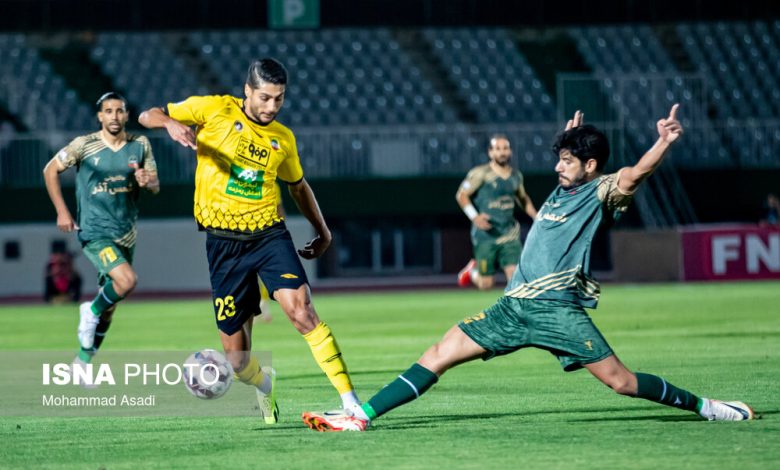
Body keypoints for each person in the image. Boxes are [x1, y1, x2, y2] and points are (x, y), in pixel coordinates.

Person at [301, 105, 755, 432]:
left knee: (622, 382)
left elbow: (635, 174)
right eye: (560, 158)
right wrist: (568, 137)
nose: (558, 166)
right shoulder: (562, 188)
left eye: (567, 161)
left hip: (558, 312)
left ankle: (707, 407)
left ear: (591, 166)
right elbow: (569, 159)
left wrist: (663, 141)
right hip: (513, 307)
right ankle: (361, 418)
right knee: (439, 352)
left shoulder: (601, 191)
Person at [138, 58, 360, 424]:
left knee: (302, 310)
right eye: (265, 98)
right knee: (238, 362)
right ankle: (265, 384)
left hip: (269, 235)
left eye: (279, 99)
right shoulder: (214, 109)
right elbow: (148, 114)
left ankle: (350, 402)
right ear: (247, 91)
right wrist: (171, 123)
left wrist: (323, 231)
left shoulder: (282, 139)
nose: (272, 106)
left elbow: (298, 186)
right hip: (223, 244)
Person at [43, 91, 159, 366]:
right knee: (127, 281)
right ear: (100, 116)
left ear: (127, 114)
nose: (115, 116)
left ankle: (82, 362)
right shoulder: (84, 145)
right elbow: (50, 170)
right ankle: (89, 309)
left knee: (112, 306)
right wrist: (62, 211)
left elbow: (154, 184)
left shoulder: (140, 144)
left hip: (126, 233)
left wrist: (147, 180)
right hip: (95, 232)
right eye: (109, 111)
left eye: (119, 111)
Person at [456, 135, 537, 289]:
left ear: (510, 151)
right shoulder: (480, 173)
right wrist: (474, 217)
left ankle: (514, 312)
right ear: (490, 152)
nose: (502, 152)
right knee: (486, 284)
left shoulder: (516, 176)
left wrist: (536, 216)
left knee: (516, 280)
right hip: (486, 234)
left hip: (509, 233)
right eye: (498, 149)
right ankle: (473, 271)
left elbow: (522, 197)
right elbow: (461, 195)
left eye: (505, 148)